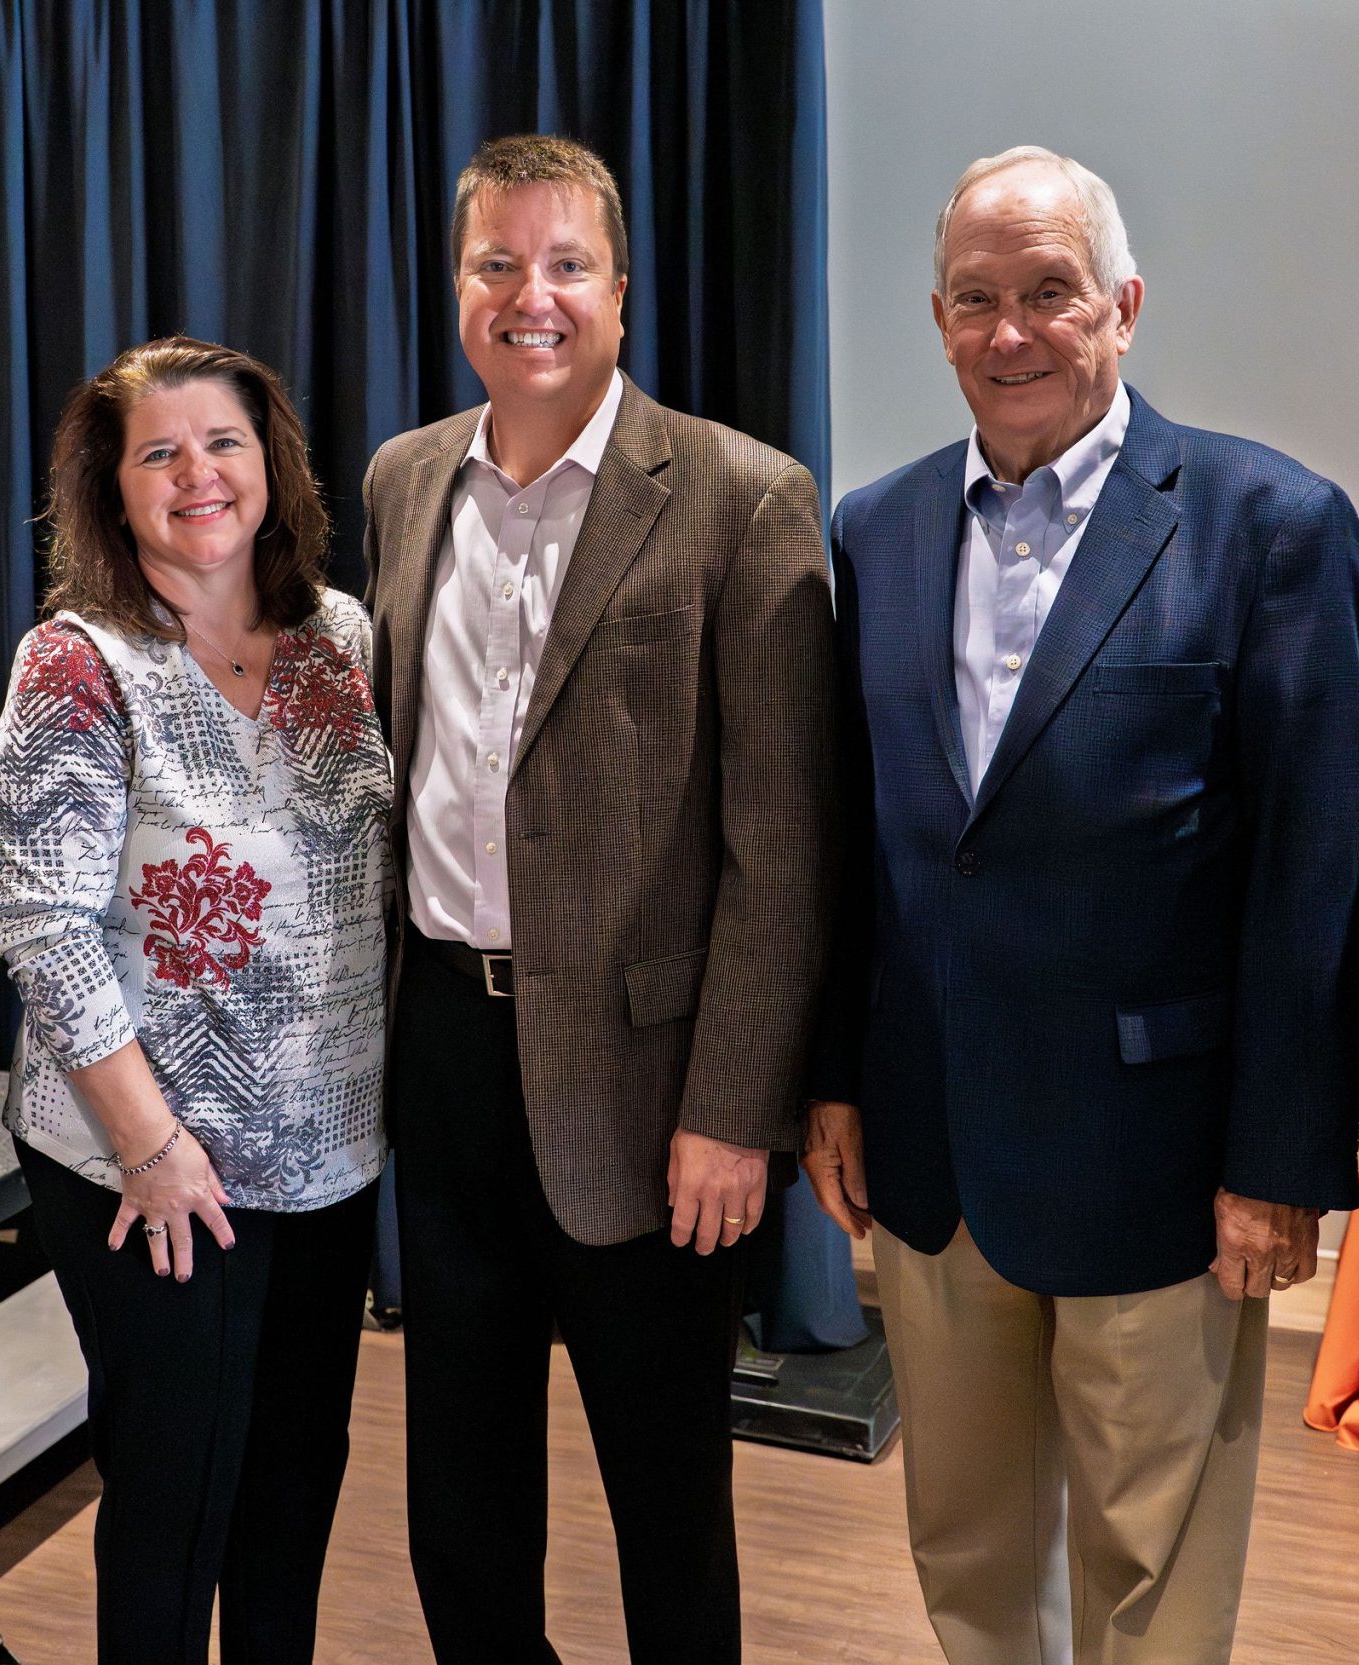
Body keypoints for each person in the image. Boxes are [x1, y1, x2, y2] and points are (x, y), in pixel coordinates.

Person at [803, 146, 1359, 1664]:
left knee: (1153, 1570)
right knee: (969, 1551)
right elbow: (863, 838)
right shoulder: (878, 529)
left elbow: (1318, 871)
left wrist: (1279, 1162)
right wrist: (837, 1078)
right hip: (935, 1151)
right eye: (975, 299)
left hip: (1160, 1163)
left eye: (1050, 293)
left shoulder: (1271, 524)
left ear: (1122, 307)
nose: (1011, 333)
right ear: (938, 320)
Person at [360, 134, 836, 1663]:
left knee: (667, 1505)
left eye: (567, 264)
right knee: (460, 1499)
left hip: (648, 1085)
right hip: (447, 1052)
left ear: (620, 292)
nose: (533, 295)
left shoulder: (742, 497)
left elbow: (782, 846)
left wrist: (733, 1108)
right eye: (498, 263)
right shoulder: (404, 481)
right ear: (458, 289)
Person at [0, 337, 391, 1664]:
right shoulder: (77, 661)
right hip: (152, 1164)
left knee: (292, 1496)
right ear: (113, 490)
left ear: (272, 463)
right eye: (158, 453)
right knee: (174, 1506)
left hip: (330, 1157)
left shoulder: (342, 638)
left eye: (223, 442)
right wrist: (152, 1146)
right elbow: (43, 926)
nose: (197, 473)